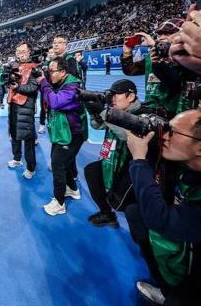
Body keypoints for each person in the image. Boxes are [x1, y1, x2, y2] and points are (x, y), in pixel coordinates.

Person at [124, 109, 201, 305]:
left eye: (172, 132)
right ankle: (167, 289)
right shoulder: (189, 164)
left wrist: (139, 159)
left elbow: (159, 219)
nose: (164, 136)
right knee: (135, 213)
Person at [83, 79, 148, 227]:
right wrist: (92, 111)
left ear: (131, 97)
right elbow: (96, 126)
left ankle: (144, 235)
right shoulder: (115, 110)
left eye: (116, 95)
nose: (112, 99)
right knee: (91, 172)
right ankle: (106, 213)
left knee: (127, 206)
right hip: (112, 160)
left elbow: (127, 136)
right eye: (110, 95)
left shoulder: (142, 115)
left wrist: (105, 113)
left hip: (131, 168)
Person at [37, 57, 87, 215]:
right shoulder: (61, 83)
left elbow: (55, 102)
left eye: (52, 71)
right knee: (63, 164)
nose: (49, 74)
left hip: (72, 134)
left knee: (57, 165)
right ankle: (72, 189)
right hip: (63, 132)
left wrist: (43, 82)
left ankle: (59, 203)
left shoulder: (73, 86)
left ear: (63, 72)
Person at [6, 42, 39, 179]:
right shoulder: (13, 66)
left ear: (29, 52)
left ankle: (31, 168)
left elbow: (33, 88)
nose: (21, 54)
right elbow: (6, 82)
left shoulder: (35, 68)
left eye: (23, 51)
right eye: (18, 52)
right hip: (13, 105)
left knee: (28, 139)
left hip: (26, 107)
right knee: (14, 134)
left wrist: (17, 87)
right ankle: (17, 158)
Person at [38, 47, 55, 135]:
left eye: (53, 52)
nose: (51, 54)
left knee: (53, 108)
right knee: (43, 108)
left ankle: (51, 123)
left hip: (55, 90)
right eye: (50, 53)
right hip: (44, 90)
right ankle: (42, 124)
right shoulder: (45, 64)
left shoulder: (59, 63)